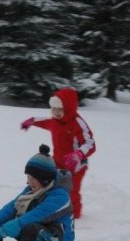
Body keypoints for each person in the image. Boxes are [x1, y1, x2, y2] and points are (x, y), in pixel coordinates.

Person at [20, 87, 95, 219]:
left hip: (76, 165)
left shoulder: (78, 123)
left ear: (69, 108)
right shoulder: (55, 121)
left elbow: (90, 143)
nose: (56, 112)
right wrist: (32, 121)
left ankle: (73, 216)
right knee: (51, 185)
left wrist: (78, 154)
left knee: (71, 190)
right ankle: (52, 207)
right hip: (59, 161)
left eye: (60, 109)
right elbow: (44, 121)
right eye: (54, 109)